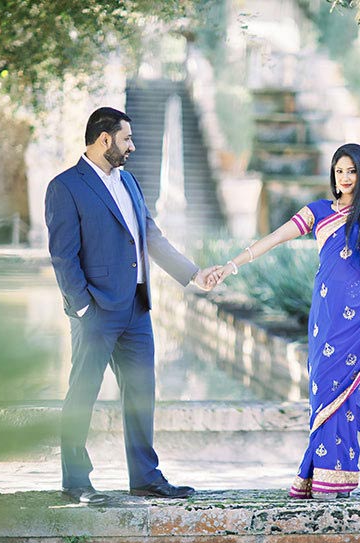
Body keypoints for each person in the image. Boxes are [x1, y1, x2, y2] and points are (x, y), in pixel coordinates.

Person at [210, 143, 360, 499]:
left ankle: (333, 477)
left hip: (359, 323)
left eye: (351, 171)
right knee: (322, 390)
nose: (345, 178)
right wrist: (232, 265)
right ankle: (318, 473)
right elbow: (275, 238)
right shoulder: (319, 212)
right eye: (339, 171)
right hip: (326, 320)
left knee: (345, 395)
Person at [45, 107, 217, 505]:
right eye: (126, 139)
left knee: (141, 395)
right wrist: (83, 308)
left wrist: (193, 274)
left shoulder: (130, 182)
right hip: (96, 312)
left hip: (137, 310)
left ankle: (145, 477)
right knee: (82, 395)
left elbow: (150, 235)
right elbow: (63, 256)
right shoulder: (65, 186)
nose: (132, 146)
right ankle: (76, 482)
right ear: (104, 139)